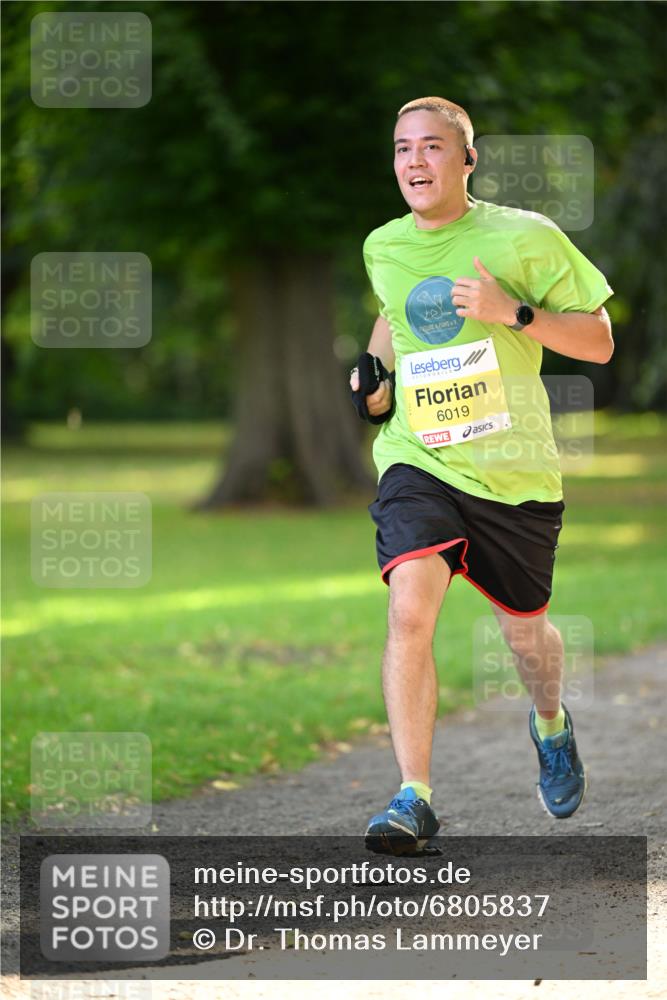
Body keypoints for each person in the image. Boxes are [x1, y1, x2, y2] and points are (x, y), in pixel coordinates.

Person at [350, 96, 614, 856]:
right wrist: (377, 381)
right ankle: (413, 796)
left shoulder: (523, 237)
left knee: (526, 638)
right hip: (418, 458)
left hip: (513, 472)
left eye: (432, 148)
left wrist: (513, 313)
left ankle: (551, 724)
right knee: (409, 608)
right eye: (402, 149)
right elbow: (391, 318)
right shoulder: (383, 245)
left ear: (467, 160)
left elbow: (597, 341)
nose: (414, 163)